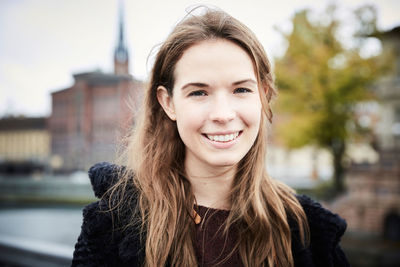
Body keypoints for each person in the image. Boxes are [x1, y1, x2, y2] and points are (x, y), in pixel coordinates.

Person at [72, 7, 349, 267]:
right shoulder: (113, 224)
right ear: (168, 103)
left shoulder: (308, 230)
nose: (222, 114)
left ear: (263, 95)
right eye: (199, 92)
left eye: (241, 90)